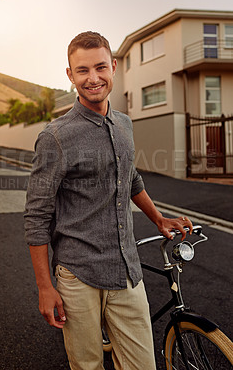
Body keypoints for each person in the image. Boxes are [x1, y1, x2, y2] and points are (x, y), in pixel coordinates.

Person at [24, 31, 193, 370]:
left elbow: (130, 178)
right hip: (77, 274)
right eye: (82, 70)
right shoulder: (55, 137)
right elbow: (36, 217)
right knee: (87, 366)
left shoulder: (124, 125)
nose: (93, 78)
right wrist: (45, 287)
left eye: (100, 67)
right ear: (70, 75)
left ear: (113, 67)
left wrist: (158, 218)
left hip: (126, 270)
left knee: (142, 365)